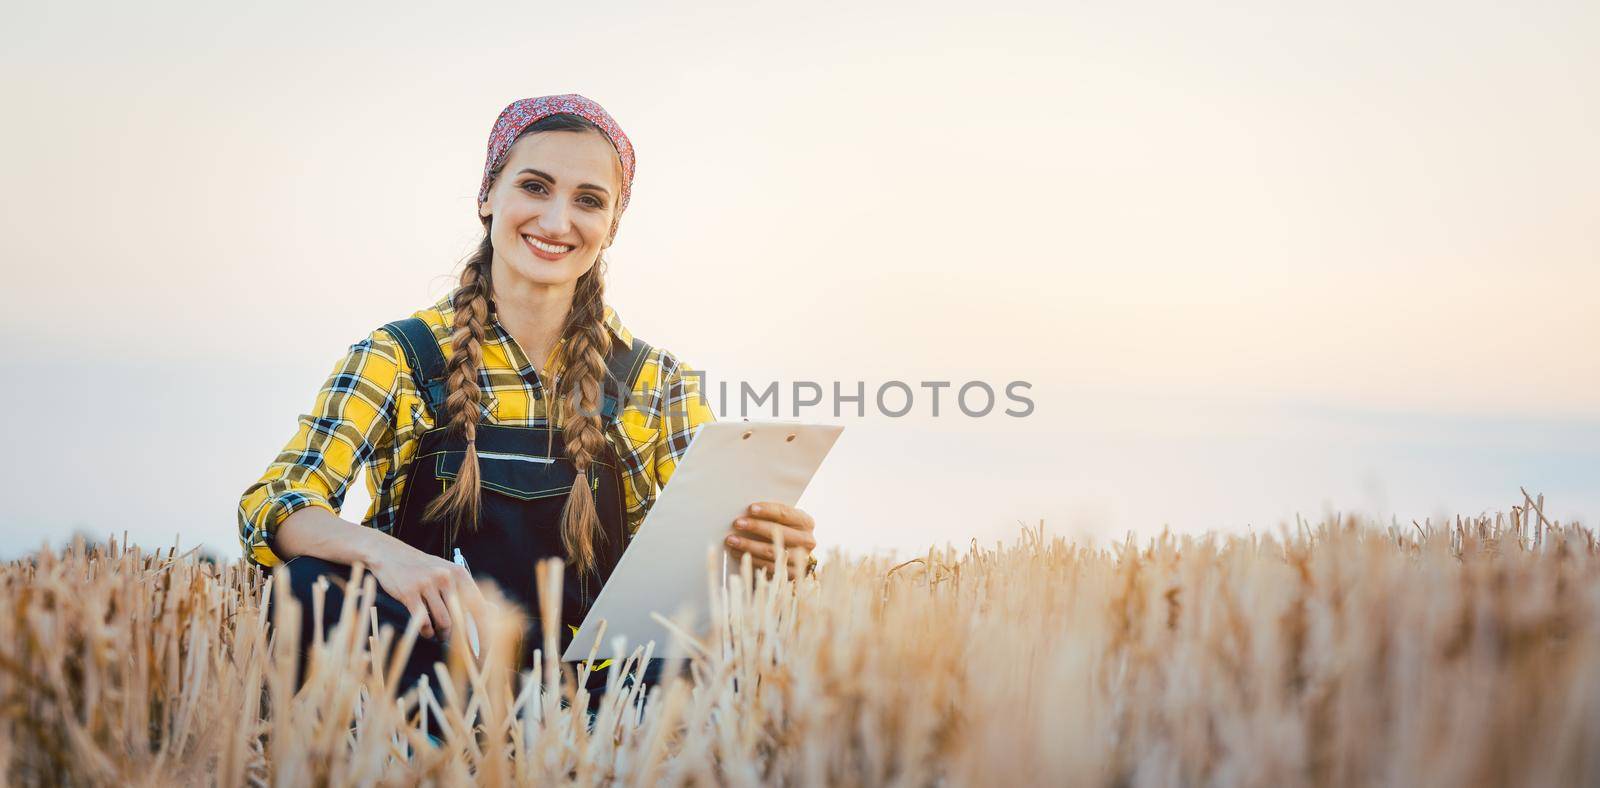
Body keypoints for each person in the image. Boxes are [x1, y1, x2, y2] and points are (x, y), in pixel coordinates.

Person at [236, 94, 820, 706]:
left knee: (736, 645)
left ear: (611, 225)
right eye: (535, 187)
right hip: (427, 677)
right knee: (307, 586)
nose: (557, 220)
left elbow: (693, 574)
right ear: (488, 197)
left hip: (605, 694)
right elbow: (273, 504)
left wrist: (772, 552)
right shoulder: (398, 357)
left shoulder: (658, 381)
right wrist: (390, 556)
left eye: (588, 200)